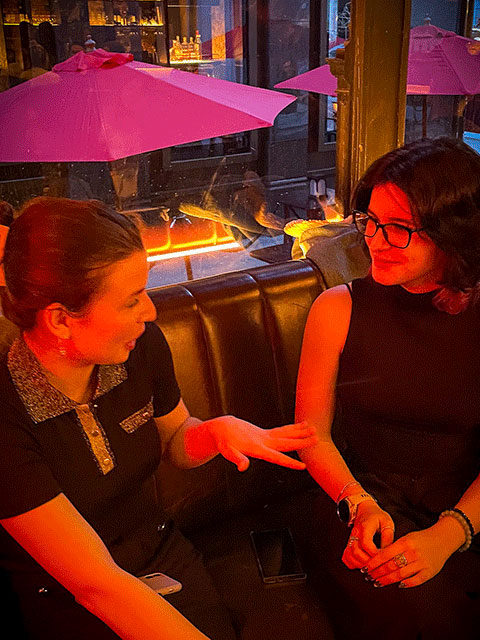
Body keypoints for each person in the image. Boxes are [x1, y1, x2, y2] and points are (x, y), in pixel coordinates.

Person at [0, 197, 318, 640]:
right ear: (60, 319)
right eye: (132, 301)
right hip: (60, 589)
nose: (149, 312)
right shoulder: (7, 411)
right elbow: (97, 584)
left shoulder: (139, 347)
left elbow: (176, 440)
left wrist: (215, 432)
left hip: (155, 550)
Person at [295, 137, 480, 639]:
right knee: (424, 616)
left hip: (468, 503)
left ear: (454, 234)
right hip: (361, 498)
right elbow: (311, 435)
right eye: (371, 221)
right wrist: (358, 504)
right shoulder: (337, 308)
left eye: (399, 228)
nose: (375, 242)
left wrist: (451, 533)